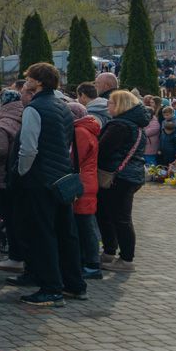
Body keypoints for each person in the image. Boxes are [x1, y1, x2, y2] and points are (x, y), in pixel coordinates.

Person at [14, 63, 85, 307]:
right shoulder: (63, 107)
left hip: (40, 180)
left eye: (29, 79)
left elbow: (29, 148)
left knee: (43, 234)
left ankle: (50, 288)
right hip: (62, 178)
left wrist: (23, 172)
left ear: (39, 82)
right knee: (67, 233)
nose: (26, 82)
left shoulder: (34, 109)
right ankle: (74, 285)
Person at [96, 90, 149, 273]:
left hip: (118, 177)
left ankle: (125, 259)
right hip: (130, 175)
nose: (107, 106)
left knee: (119, 218)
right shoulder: (136, 125)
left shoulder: (119, 125)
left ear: (120, 105)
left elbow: (102, 150)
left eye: (110, 103)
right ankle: (111, 253)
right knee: (111, 215)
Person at [0, 89, 28, 273]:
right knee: (20, 218)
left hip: (3, 178)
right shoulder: (26, 118)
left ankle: (15, 256)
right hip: (22, 176)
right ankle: (22, 254)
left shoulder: (2, 125)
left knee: (10, 219)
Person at [67, 102, 103, 281]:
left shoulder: (80, 132)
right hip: (87, 181)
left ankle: (92, 264)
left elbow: (74, 159)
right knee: (83, 223)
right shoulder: (85, 129)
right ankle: (87, 261)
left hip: (82, 183)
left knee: (85, 225)